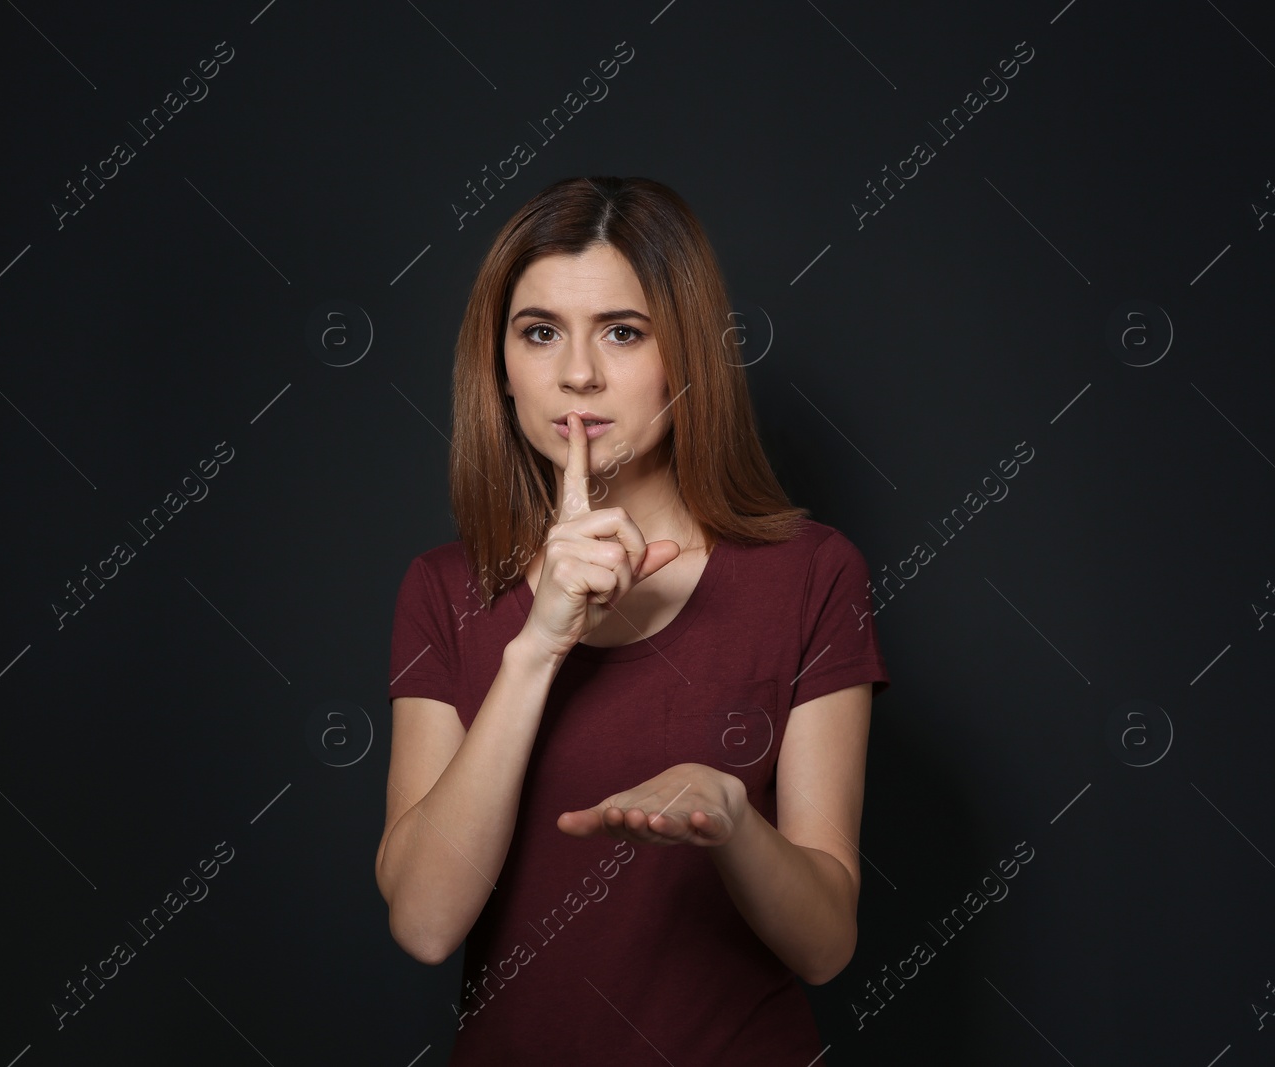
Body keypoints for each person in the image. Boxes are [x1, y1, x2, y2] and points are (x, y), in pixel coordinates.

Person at [376, 175, 891, 1065]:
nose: (578, 372)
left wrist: (734, 819)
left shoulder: (812, 574)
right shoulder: (444, 587)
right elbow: (424, 922)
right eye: (540, 333)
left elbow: (825, 943)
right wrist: (538, 644)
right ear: (500, 367)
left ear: (685, 354)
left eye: (623, 331)